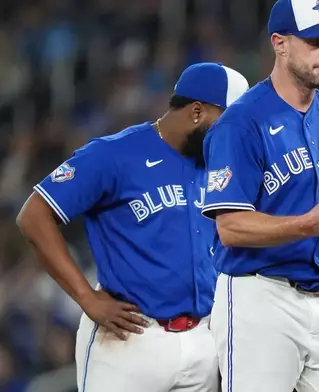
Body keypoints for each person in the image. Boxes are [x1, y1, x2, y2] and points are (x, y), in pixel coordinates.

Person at [16, 62, 249, 392]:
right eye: (229, 122)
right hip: (130, 340)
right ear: (197, 111)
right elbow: (34, 216)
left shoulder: (217, 167)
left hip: (202, 340)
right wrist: (86, 297)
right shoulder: (114, 154)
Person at [200, 0, 319, 391]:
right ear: (280, 44)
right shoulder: (241, 122)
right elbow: (230, 228)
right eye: (316, 41)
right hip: (260, 296)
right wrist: (308, 225)